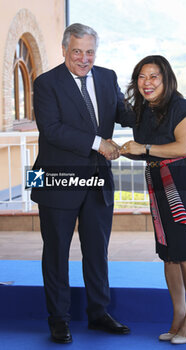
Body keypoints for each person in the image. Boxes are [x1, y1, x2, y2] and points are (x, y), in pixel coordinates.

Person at [31, 23, 134, 344]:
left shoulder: (107, 76)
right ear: (64, 50)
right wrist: (99, 142)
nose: (84, 58)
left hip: (98, 180)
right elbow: (52, 129)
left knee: (96, 250)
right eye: (77, 51)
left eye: (90, 51)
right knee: (57, 252)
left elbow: (125, 113)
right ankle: (58, 320)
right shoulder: (46, 83)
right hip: (55, 178)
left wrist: (160, 106)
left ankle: (98, 312)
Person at [120, 55, 186, 344]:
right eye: (142, 76)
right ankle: (178, 315)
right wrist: (124, 150)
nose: (147, 82)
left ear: (166, 79)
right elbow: (147, 150)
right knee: (169, 251)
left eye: (154, 76)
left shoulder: (181, 107)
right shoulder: (144, 109)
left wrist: (143, 147)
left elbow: (181, 147)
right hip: (159, 179)